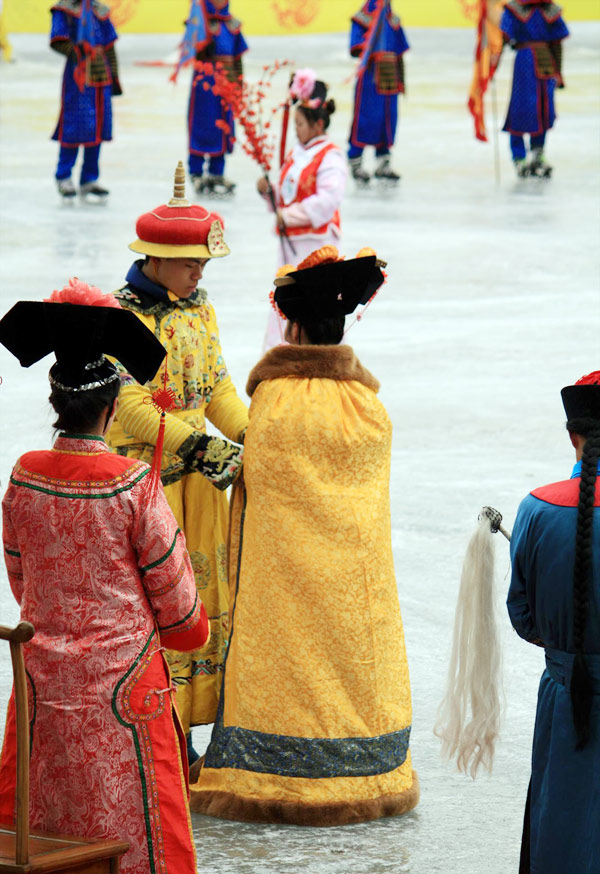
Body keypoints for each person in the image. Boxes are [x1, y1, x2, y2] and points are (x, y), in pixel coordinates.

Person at [190, 246, 419, 826]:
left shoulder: (275, 399)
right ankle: (368, 766)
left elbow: (259, 481)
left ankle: (269, 767)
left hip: (285, 579)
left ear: (290, 326)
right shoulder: (369, 406)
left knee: (284, 648)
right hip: (353, 582)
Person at [0, 280, 210, 874]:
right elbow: (184, 616)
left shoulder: (24, 475)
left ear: (53, 396)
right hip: (124, 692)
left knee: (44, 824)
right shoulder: (133, 485)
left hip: (43, 679)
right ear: (115, 405)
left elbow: (21, 578)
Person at [106, 162, 248, 772]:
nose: (198, 274)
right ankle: (164, 728)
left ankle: (197, 724)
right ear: (156, 259)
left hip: (198, 481)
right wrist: (202, 447)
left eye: (204, 266)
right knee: (157, 599)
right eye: (191, 263)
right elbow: (131, 407)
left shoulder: (200, 309)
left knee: (202, 596)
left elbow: (216, 386)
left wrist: (252, 436)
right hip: (149, 476)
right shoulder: (124, 318)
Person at [507, 371, 600, 873]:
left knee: (561, 829)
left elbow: (525, 619)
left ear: (573, 436)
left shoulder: (537, 508)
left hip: (566, 699)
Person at [257, 69, 347, 349]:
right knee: (286, 301)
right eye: (294, 123)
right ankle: (281, 353)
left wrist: (288, 215)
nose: (295, 129)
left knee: (314, 305)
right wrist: (268, 194)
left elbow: (327, 201)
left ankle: (317, 355)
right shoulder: (296, 154)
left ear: (318, 124)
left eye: (300, 124)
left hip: (316, 242)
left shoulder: (330, 156)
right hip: (292, 242)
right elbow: (285, 200)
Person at [50, 0, 122, 199]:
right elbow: (58, 39)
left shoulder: (101, 11)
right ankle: (63, 175)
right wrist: (80, 52)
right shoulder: (63, 10)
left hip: (101, 77)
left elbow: (109, 46)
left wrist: (114, 76)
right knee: (74, 125)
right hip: (78, 75)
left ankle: (89, 179)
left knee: (97, 126)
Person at [500, 0, 569, 178]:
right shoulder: (515, 10)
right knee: (522, 109)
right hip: (528, 64)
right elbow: (500, 38)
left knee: (542, 109)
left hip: (543, 63)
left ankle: (537, 154)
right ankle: (520, 156)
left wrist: (558, 73)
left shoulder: (548, 10)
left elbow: (556, 43)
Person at [187, 0, 248, 196]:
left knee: (223, 126)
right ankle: (196, 171)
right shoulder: (198, 21)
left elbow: (238, 60)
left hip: (227, 85)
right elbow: (191, 50)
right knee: (202, 125)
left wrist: (238, 87)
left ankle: (216, 172)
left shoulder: (232, 25)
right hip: (205, 86)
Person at [347, 0, 409, 186]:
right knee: (366, 118)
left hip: (390, 77)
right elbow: (356, 47)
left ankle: (383, 161)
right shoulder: (363, 18)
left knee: (388, 120)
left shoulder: (393, 19)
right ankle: (355, 160)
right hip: (371, 77)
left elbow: (400, 49)